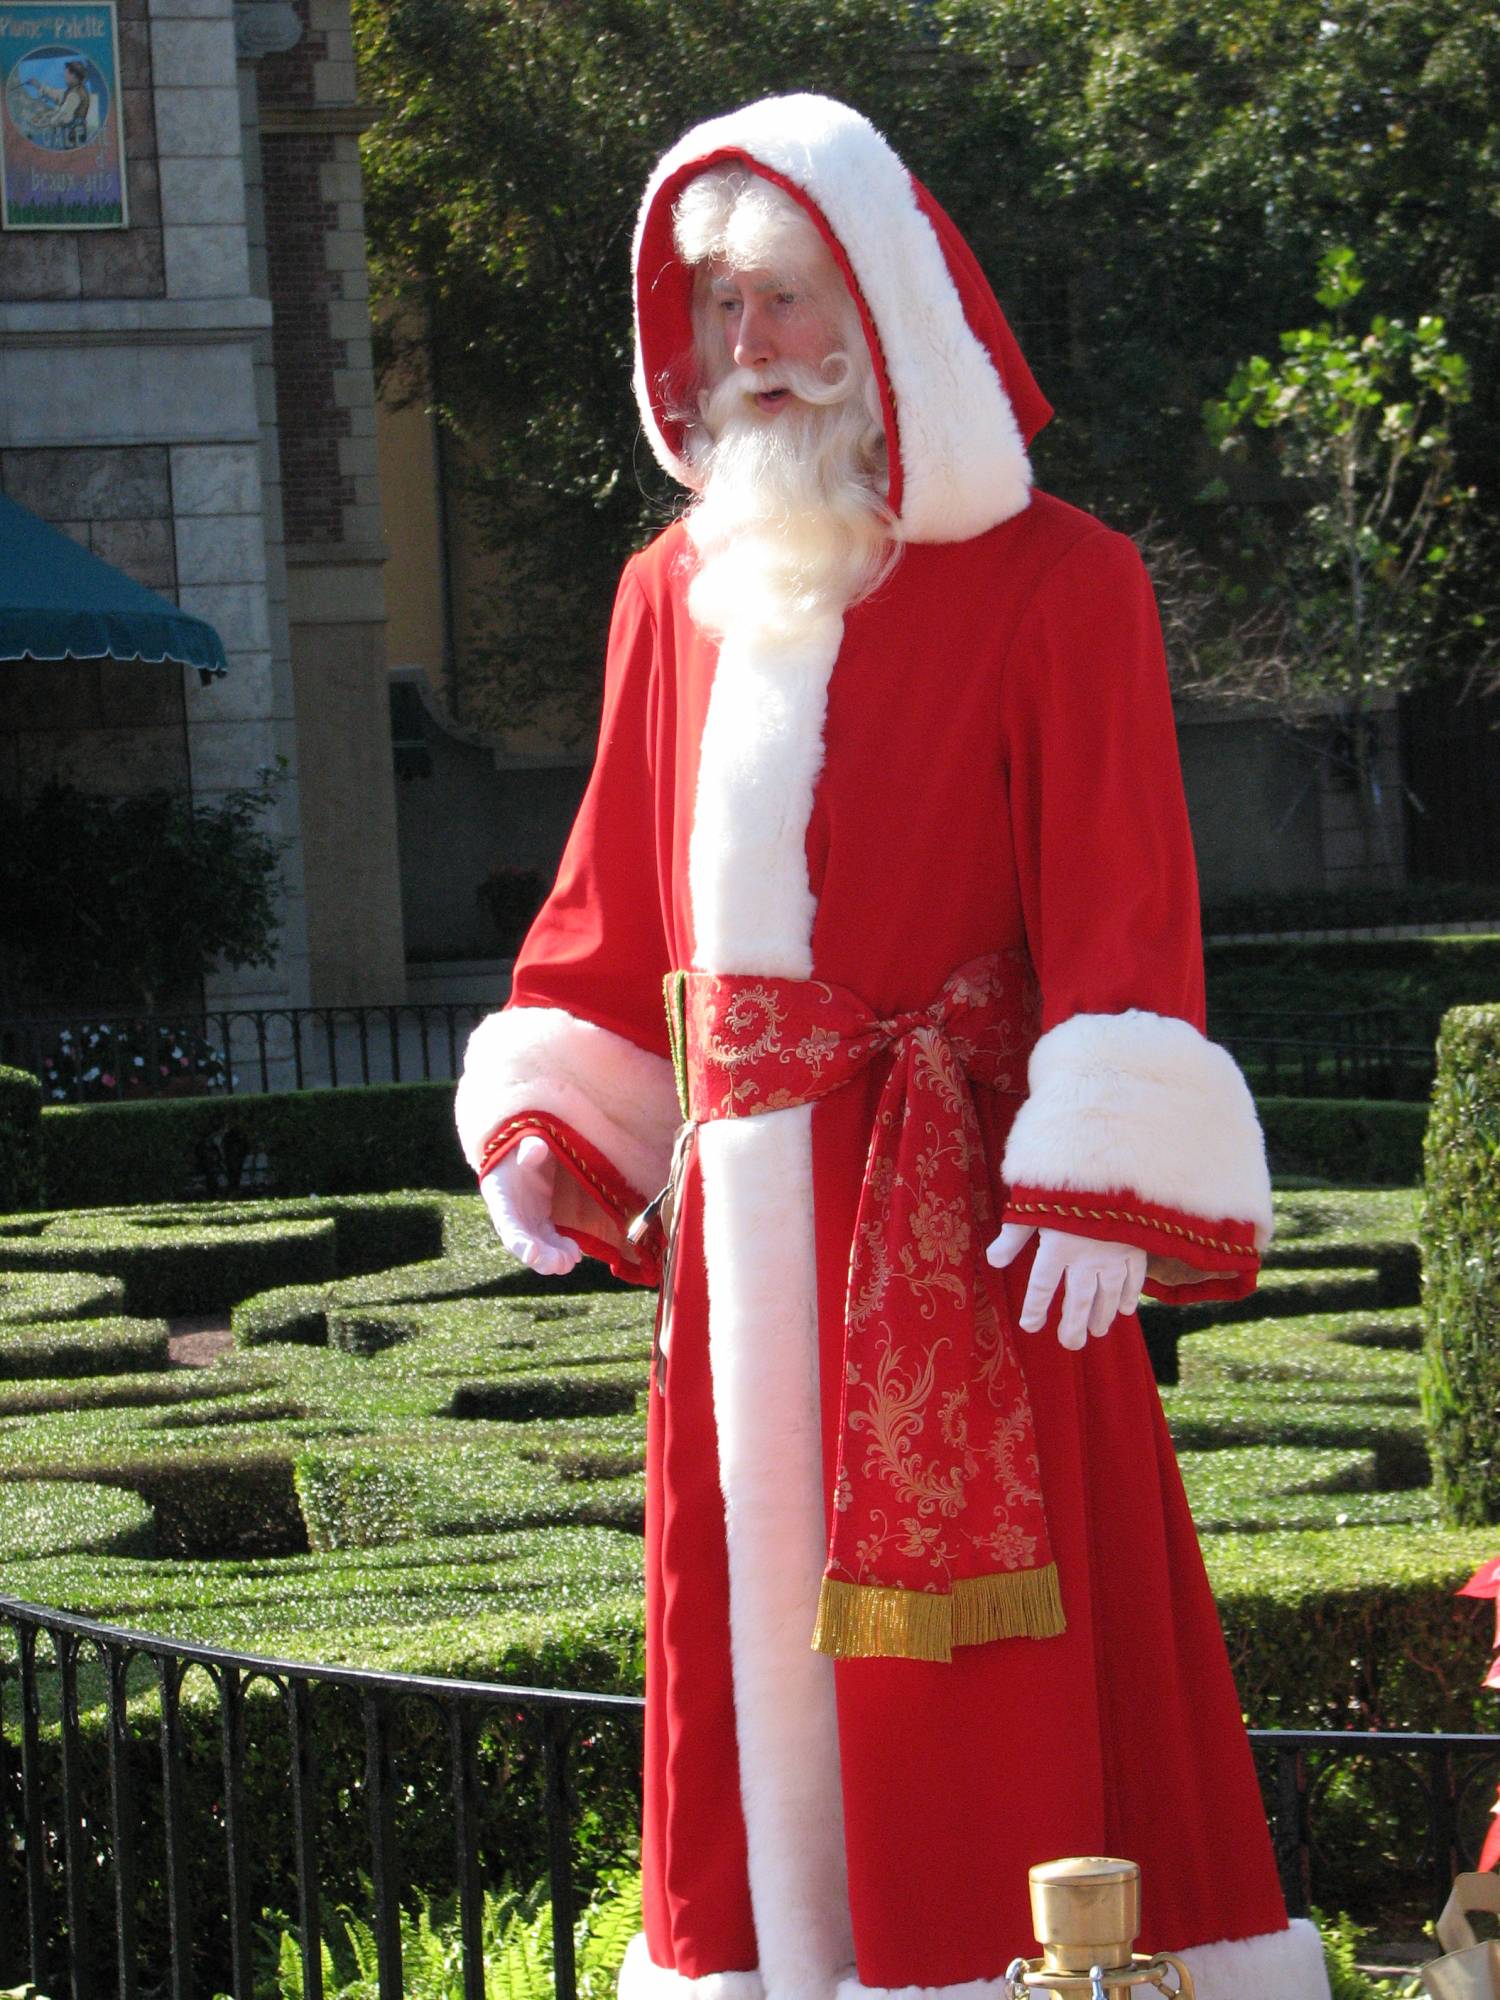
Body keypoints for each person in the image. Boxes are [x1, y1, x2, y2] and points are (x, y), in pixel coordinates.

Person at [456, 93, 1329, 2000]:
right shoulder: (661, 596)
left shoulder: (1062, 580)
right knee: (744, 1621)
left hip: (978, 1229)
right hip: (744, 1227)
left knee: (988, 1686)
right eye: (714, 307)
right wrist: (552, 1110)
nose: (743, 349)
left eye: (782, 301)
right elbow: (606, 916)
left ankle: (1022, 1973)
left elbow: (1123, 893)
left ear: (882, 307)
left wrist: (1110, 1153)